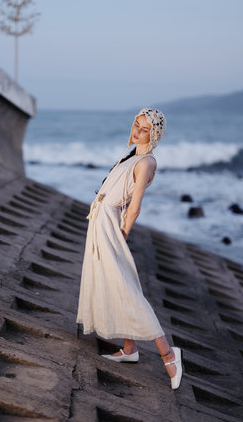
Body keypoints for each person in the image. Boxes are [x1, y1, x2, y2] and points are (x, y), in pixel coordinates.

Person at [76, 108, 183, 390]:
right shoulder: (131, 156)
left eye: (145, 129)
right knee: (113, 284)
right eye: (137, 124)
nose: (137, 131)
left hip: (111, 225)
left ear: (155, 134)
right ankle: (129, 348)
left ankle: (169, 355)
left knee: (125, 288)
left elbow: (134, 207)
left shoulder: (146, 162)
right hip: (99, 220)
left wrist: (122, 234)